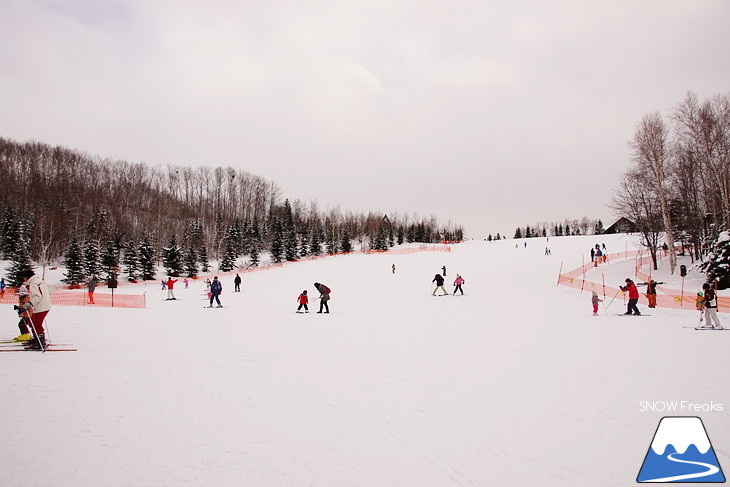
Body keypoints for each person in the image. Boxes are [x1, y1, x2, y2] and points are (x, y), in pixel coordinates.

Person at [20, 269, 51, 349]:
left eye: (24, 278)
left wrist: (29, 303)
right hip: (45, 305)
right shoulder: (40, 281)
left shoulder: (33, 283)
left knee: (36, 323)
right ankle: (37, 338)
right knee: (32, 322)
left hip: (41, 306)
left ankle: (40, 341)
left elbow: (37, 297)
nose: (24, 280)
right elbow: (50, 291)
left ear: (26, 277)